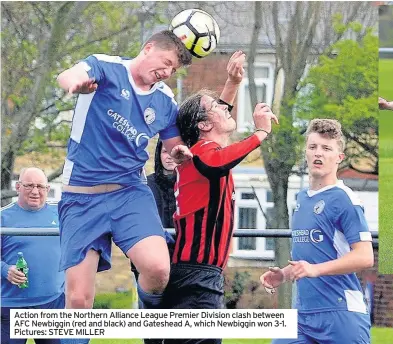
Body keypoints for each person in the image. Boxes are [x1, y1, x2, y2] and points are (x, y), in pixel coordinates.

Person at [56, 28, 243, 322]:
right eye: (166, 62)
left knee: (158, 269)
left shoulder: (165, 101)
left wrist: (179, 152)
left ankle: (152, 319)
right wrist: (75, 83)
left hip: (129, 194)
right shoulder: (106, 67)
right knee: (78, 301)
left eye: (172, 69)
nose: (166, 72)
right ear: (148, 47)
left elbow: (177, 143)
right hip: (82, 197)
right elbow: (67, 75)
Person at [162, 73, 278, 343]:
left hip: (200, 275)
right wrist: (260, 133)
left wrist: (233, 83)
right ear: (202, 124)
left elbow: (220, 142)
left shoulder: (205, 150)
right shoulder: (202, 153)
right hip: (196, 275)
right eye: (216, 107)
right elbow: (218, 161)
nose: (225, 109)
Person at [260, 119, 374, 344]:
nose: (318, 153)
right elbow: (309, 259)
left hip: (341, 313)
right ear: (306, 153)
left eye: (326, 148)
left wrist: (315, 270)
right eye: (313, 147)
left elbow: (365, 256)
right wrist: (284, 274)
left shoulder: (345, 199)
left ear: (339, 158)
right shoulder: (302, 198)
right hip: (303, 316)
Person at [1, 167, 65, 344]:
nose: (35, 191)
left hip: (51, 304)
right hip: (11, 307)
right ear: (18, 187)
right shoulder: (3, 218)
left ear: (47, 189)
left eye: (40, 186)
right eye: (29, 186)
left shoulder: (60, 216)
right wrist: (5, 270)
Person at [131, 140, 177, 282]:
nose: (169, 156)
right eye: (165, 151)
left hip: (182, 261)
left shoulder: (189, 185)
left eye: (173, 152)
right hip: (150, 257)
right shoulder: (145, 186)